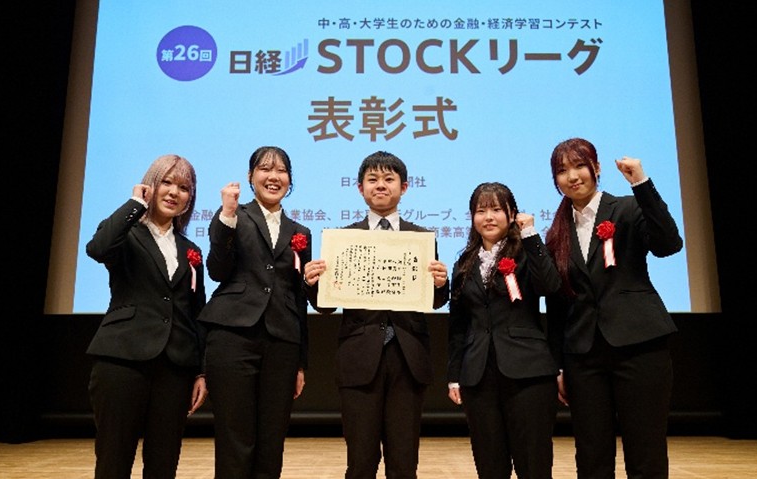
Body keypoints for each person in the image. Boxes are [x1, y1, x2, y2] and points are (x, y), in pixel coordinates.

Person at [302, 150, 450, 479]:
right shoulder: (343, 239)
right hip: (359, 359)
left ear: (404, 187)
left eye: (388, 179)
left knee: (404, 463)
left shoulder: (421, 238)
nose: (380, 185)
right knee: (360, 462)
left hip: (408, 358)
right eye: (372, 179)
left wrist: (442, 283)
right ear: (360, 188)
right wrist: (312, 284)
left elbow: (436, 301)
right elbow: (325, 306)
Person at [544, 138, 683, 479]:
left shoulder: (628, 208)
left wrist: (641, 183)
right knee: (591, 454)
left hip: (639, 346)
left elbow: (668, 244)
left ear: (597, 168)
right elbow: (558, 304)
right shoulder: (557, 233)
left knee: (645, 450)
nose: (572, 176)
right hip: (583, 356)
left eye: (579, 166)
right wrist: (558, 365)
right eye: (562, 170)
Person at [85, 153, 208, 479]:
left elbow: (196, 313)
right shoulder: (126, 233)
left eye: (184, 187)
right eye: (166, 182)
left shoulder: (190, 250)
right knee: (114, 460)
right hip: (122, 360)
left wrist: (201, 371)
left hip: (175, 368)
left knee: (164, 463)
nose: (174, 192)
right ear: (150, 185)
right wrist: (135, 204)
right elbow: (98, 248)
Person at [197, 146, 311, 478]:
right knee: (235, 437)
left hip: (282, 341)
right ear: (250, 176)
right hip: (233, 336)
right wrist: (227, 215)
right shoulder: (234, 217)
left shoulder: (300, 232)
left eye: (281, 171)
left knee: (272, 440)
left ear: (290, 179)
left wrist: (301, 362)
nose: (273, 177)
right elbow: (217, 270)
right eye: (265, 169)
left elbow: (299, 297)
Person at [446, 182, 562, 479]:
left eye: (497, 209)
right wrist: (454, 375)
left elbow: (550, 286)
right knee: (489, 464)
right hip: (478, 374)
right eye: (481, 211)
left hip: (529, 372)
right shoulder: (463, 263)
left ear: (512, 214)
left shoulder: (527, 252)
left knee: (533, 463)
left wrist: (531, 234)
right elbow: (458, 324)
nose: (488, 217)